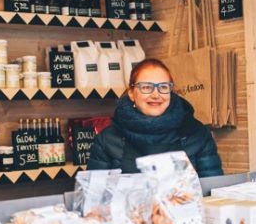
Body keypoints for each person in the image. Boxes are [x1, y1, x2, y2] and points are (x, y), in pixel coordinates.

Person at [87, 58, 223, 177]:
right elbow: (95, 198)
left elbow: (213, 191)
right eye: (146, 87)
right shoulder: (107, 140)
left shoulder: (197, 134)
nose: (156, 95)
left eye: (163, 87)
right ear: (131, 93)